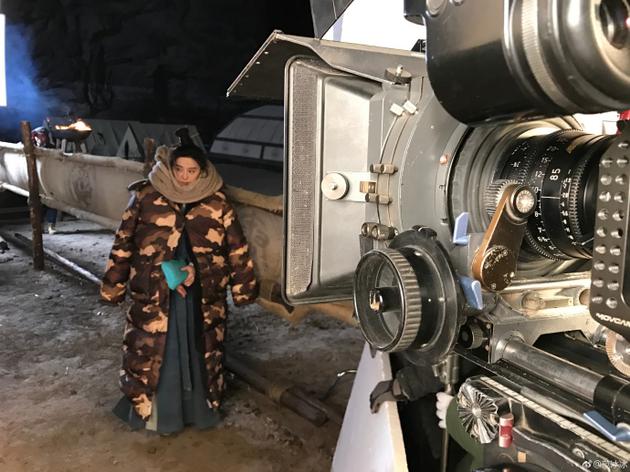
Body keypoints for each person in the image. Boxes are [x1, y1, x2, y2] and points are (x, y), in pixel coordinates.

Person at [100, 130, 258, 434]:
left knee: (201, 346)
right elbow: (124, 242)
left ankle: (198, 410)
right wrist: (113, 285)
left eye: (192, 171)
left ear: (202, 172)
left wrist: (237, 286)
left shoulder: (217, 203)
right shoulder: (146, 196)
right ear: (170, 168)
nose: (185, 177)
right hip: (154, 292)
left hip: (200, 295)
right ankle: (156, 414)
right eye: (179, 169)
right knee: (153, 349)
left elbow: (236, 249)